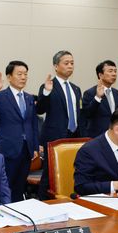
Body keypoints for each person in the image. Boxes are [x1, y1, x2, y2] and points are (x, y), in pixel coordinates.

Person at [0, 61, 39, 202]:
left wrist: (35, 147)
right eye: (19, 74)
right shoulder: (1, 96)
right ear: (9, 77)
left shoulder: (29, 97)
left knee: (20, 186)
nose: (23, 77)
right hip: (8, 149)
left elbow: (33, 124)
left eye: (25, 74)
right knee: (6, 186)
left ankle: (18, 212)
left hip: (26, 150)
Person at [36, 50, 82, 200]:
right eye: (66, 63)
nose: (70, 66)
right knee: (50, 176)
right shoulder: (49, 86)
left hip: (73, 137)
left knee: (70, 172)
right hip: (54, 137)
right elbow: (40, 109)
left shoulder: (76, 89)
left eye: (72, 63)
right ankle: (43, 203)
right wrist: (46, 92)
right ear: (56, 66)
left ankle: (67, 199)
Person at [81, 60, 118, 138]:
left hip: (114, 136)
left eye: (115, 71)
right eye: (110, 71)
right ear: (100, 75)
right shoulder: (89, 93)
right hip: (97, 136)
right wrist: (97, 97)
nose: (114, 74)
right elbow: (87, 114)